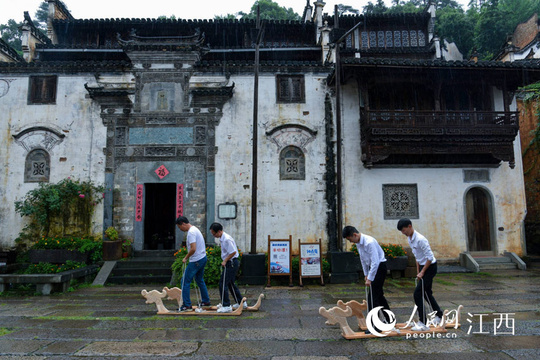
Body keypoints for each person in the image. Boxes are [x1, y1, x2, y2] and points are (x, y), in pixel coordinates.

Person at [397, 218, 443, 331]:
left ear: (409, 226)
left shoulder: (421, 239)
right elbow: (417, 257)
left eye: (404, 230)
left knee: (417, 294)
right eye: (402, 232)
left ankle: (423, 323)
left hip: (430, 267)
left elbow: (430, 258)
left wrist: (423, 272)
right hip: (423, 266)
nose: (403, 233)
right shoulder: (410, 239)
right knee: (427, 292)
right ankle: (439, 316)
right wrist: (418, 271)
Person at [342, 226, 391, 330]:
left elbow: (375, 262)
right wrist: (366, 274)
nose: (351, 242)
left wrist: (370, 278)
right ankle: (389, 319)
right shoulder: (359, 243)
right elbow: (363, 260)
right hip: (373, 268)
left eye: (350, 239)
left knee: (372, 299)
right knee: (379, 296)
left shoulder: (369, 242)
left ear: (354, 235)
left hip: (380, 267)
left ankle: (376, 326)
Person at [175, 216, 211, 312]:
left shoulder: (191, 233)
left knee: (185, 281)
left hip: (196, 260)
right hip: (202, 258)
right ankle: (206, 301)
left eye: (179, 227)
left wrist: (185, 258)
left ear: (183, 223)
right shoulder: (195, 229)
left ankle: (187, 305)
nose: (180, 229)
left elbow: (193, 248)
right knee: (199, 279)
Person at [209, 222, 245, 313]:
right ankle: (241, 302)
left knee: (222, 283)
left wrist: (225, 260)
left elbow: (232, 252)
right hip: (231, 262)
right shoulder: (222, 238)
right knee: (230, 283)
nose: (214, 236)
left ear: (219, 231)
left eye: (214, 234)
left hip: (231, 263)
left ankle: (226, 305)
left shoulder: (226, 239)